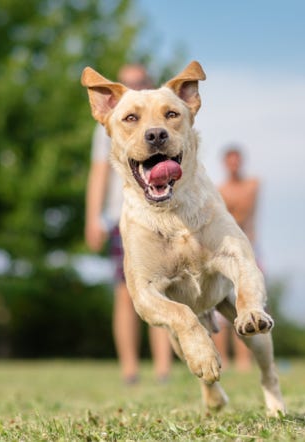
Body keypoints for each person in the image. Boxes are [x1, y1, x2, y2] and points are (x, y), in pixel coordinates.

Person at [85, 64, 173, 384]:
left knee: (161, 290)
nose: (135, 86)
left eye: (141, 82)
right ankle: (130, 370)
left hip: (159, 212)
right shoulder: (109, 123)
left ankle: (164, 369)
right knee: (125, 293)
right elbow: (99, 173)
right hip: (122, 216)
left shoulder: (162, 120)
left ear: (150, 84)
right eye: (129, 83)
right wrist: (92, 218)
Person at [212, 146, 260, 372]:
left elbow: (241, 213)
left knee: (248, 301)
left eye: (237, 161)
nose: (234, 165)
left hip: (249, 247)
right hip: (225, 248)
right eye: (230, 161)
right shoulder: (219, 189)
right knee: (221, 307)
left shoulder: (252, 185)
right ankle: (224, 359)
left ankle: (244, 361)